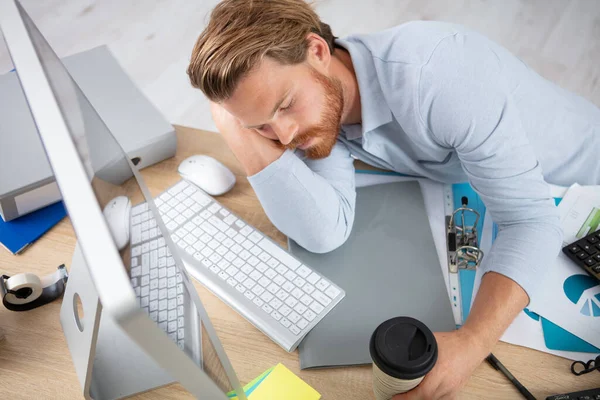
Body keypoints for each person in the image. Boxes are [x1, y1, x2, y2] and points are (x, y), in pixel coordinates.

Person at [186, 0, 600, 398]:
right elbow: (323, 231)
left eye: (285, 105)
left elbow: (530, 222)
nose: (286, 137)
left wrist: (471, 343)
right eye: (261, 126)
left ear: (316, 50)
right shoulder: (324, 112)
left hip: (582, 186)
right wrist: (239, 130)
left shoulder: (439, 74)